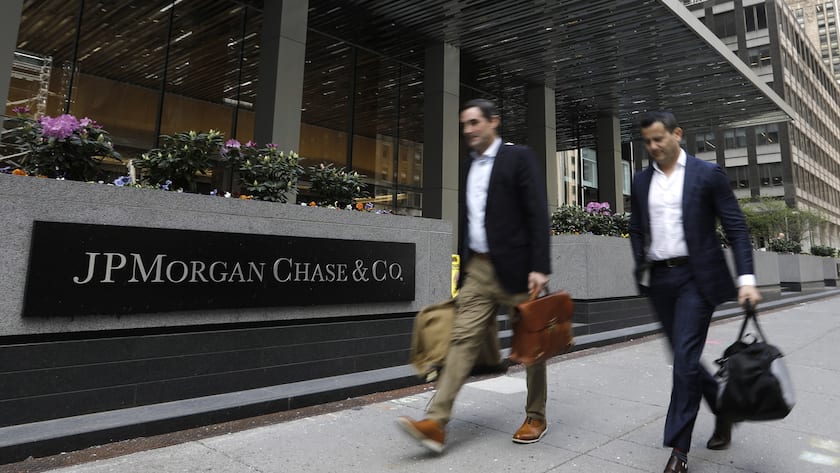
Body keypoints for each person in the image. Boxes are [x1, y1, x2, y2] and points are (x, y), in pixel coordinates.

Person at [396, 98, 551, 453]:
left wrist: (539, 267)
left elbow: (537, 214)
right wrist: (464, 271)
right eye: (464, 125)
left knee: (531, 347)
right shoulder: (468, 166)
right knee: (462, 340)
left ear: (493, 122)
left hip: (519, 267)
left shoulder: (519, 158)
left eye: (474, 123)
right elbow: (468, 219)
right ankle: (435, 423)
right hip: (479, 269)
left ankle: (536, 415)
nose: (467, 130)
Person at [629, 111, 762, 473]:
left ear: (677, 134)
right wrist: (640, 260)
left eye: (659, 139)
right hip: (660, 280)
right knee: (685, 360)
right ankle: (724, 411)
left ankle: (679, 450)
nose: (653, 147)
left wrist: (746, 278)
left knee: (684, 362)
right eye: (647, 142)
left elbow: (736, 227)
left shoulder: (707, 175)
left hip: (696, 279)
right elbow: (637, 227)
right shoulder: (641, 182)